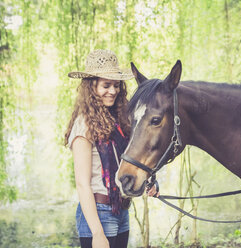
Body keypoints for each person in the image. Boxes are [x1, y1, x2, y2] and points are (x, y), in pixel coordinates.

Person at [64, 49, 157, 248]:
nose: (113, 91)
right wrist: (97, 233)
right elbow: (82, 184)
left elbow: (131, 161)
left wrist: (150, 182)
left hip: (121, 210)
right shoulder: (84, 125)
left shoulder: (119, 120)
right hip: (98, 213)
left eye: (116, 85)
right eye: (106, 85)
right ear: (92, 86)